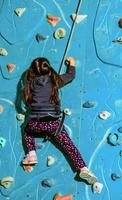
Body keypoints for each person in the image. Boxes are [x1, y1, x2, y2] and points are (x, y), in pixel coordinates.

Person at [22, 57, 97, 185]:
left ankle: (32, 154)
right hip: (54, 124)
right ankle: (83, 168)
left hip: (36, 123)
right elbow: (70, 76)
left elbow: (27, 104)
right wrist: (72, 64)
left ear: (32, 71)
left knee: (27, 131)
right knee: (69, 146)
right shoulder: (54, 80)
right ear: (49, 68)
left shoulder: (30, 84)